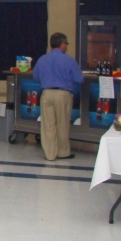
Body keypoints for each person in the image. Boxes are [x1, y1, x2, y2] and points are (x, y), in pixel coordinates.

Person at [33, 33, 85, 161]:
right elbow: (80, 78)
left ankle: (50, 154)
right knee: (62, 124)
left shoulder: (42, 59)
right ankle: (63, 152)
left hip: (46, 94)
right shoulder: (69, 60)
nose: (66, 46)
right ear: (62, 44)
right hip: (63, 94)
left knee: (48, 125)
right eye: (66, 43)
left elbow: (36, 76)